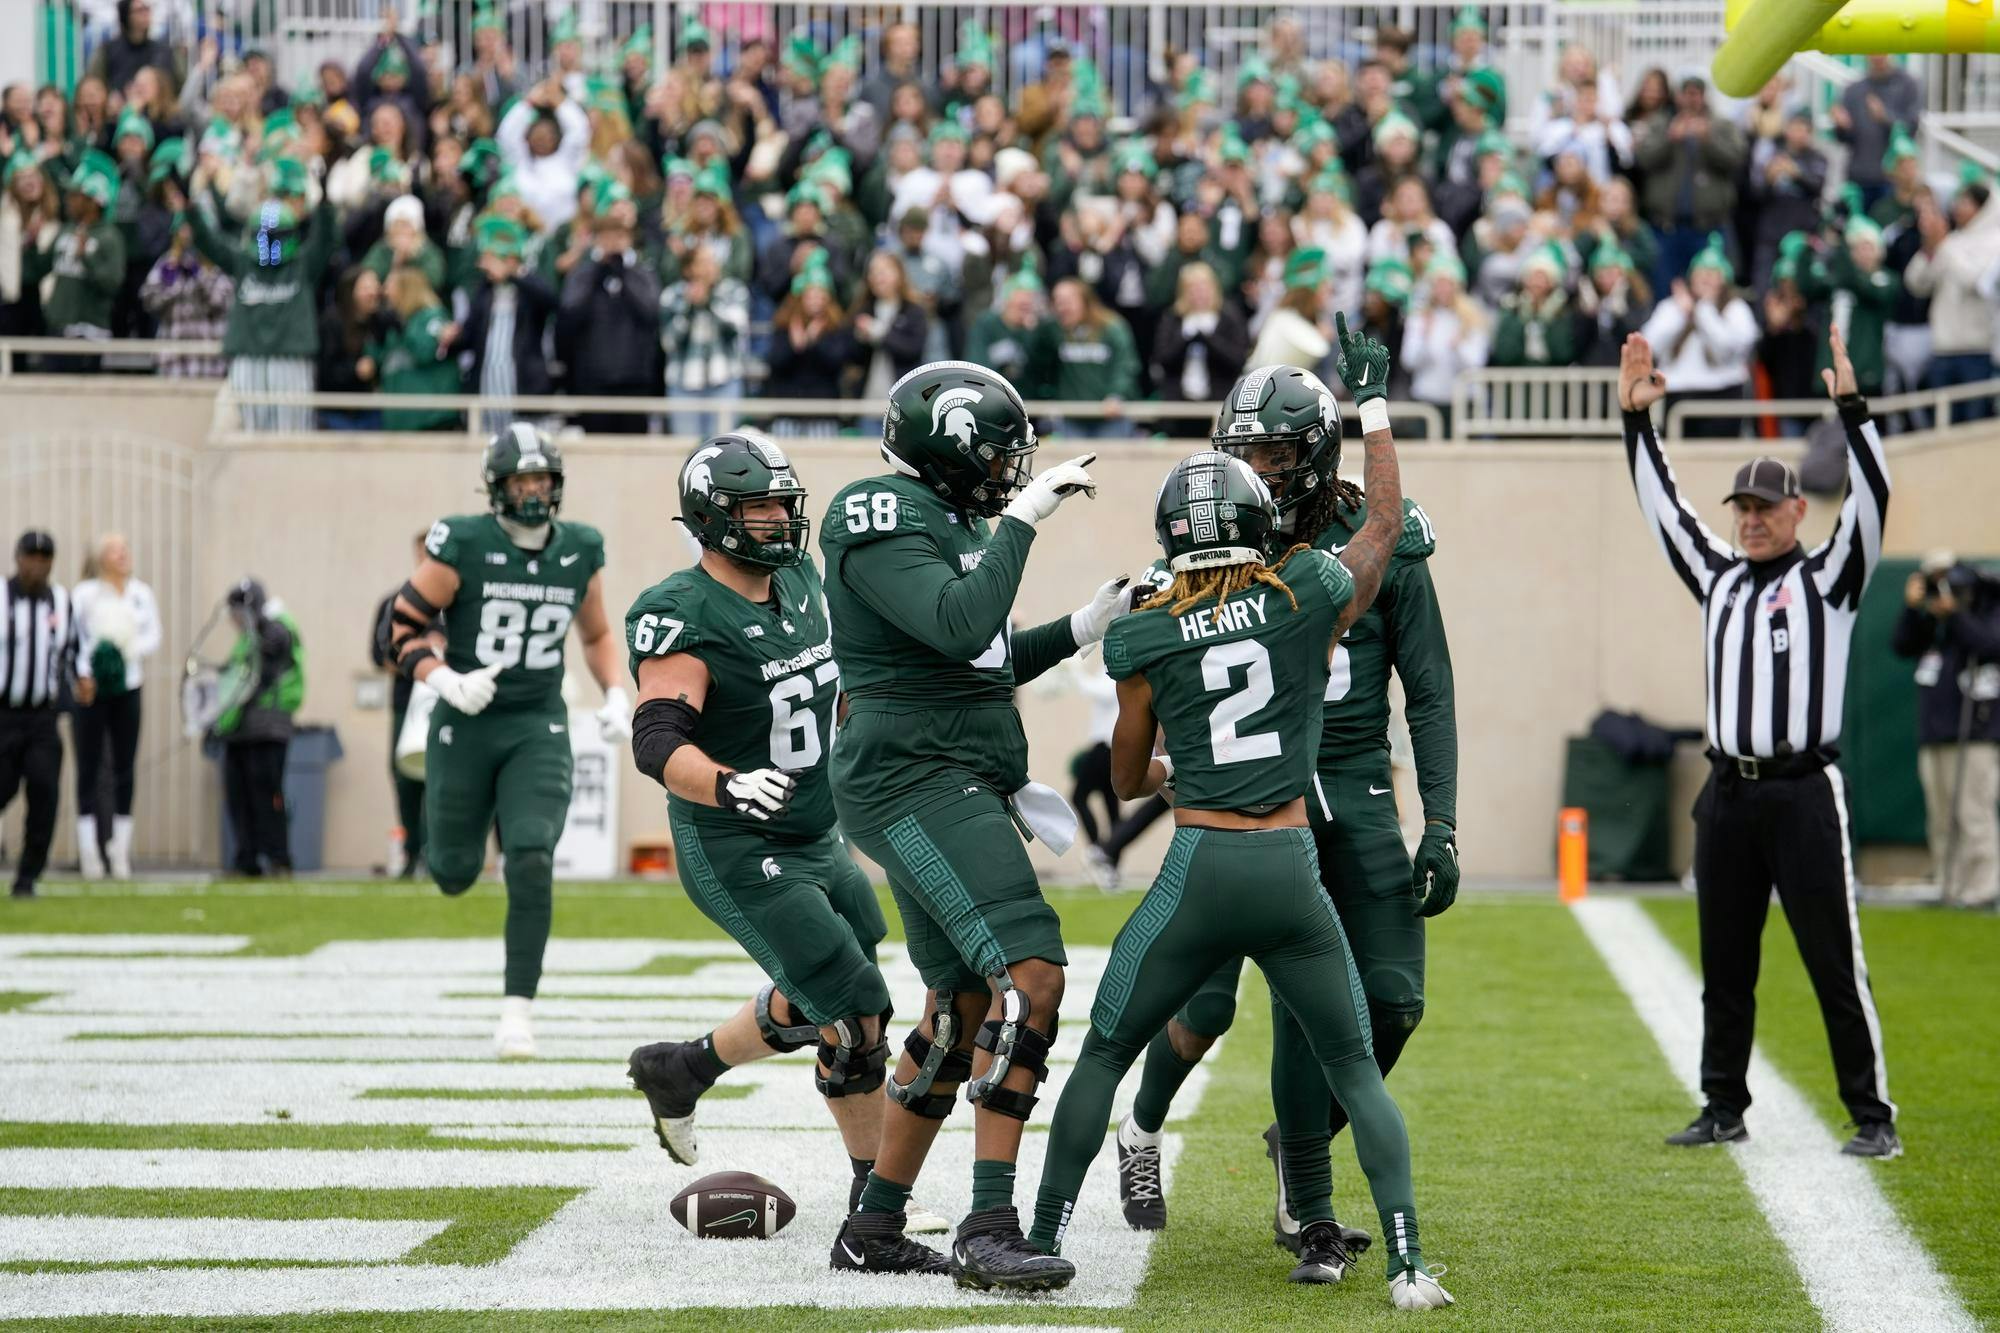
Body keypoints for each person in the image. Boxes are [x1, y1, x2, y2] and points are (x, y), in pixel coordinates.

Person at [1026, 360, 1452, 1312]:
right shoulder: (1305, 588)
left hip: (1198, 861)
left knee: (1101, 1052)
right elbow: (1381, 526)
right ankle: (1410, 1261)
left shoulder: (1141, 630)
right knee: (1350, 1064)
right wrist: (1375, 413)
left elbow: (1129, 777)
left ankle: (1045, 1235)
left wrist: (1185, 771)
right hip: (1292, 863)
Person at [820, 361, 1133, 1287]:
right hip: (911, 777)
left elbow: (979, 661)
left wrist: (1082, 626)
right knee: (1030, 972)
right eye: (996, 457)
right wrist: (1024, 525)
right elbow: (959, 626)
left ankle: (872, 1225)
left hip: (943, 770)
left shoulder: (948, 521)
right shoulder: (874, 512)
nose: (1008, 473)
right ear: (944, 450)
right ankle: (990, 1223)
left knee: (958, 1007)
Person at [622, 433, 951, 1246]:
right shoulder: (681, 609)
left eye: (781, 501)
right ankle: (877, 1199)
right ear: (711, 518)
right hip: (735, 842)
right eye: (757, 506)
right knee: (855, 1007)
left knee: (838, 975)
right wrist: (727, 781)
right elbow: (657, 738)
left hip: (816, 824)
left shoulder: (801, 578)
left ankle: (684, 1067)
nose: (778, 518)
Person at [1621, 327, 1900, 1159]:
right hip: (1729, 794)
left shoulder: (1830, 580)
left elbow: (1875, 503)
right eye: (1741, 508)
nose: (1749, 520)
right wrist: (1638, 424)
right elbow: (1664, 510)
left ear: (1796, 511)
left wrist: (1854, 412)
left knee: (1832, 961)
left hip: (1804, 791)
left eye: (1763, 508)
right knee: (1725, 964)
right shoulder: (1717, 576)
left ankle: (1872, 1114)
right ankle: (1722, 1104)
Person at [385, 427, 632, 1059]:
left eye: (541, 480)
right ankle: (457, 838)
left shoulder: (579, 548)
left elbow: (598, 633)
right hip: (465, 721)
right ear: (497, 487)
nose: (532, 492)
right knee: (453, 872)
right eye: (521, 481)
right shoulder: (462, 542)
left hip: (536, 722)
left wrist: (613, 691)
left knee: (529, 852)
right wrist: (443, 677)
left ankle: (517, 1011)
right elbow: (403, 626)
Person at [1891, 555, 2000, 909]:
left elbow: (1989, 645)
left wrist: (1955, 613)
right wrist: (1913, 609)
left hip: (1975, 734)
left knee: (1973, 812)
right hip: (1935, 734)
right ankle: (1949, 884)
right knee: (1940, 816)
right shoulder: (1933, 627)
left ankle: (1983, 888)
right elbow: (1902, 645)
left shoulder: (1984, 613)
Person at [69, 535, 160, 881]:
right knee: (89, 765)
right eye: (115, 550)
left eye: (125, 548)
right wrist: (86, 673)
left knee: (125, 763)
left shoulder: (141, 593)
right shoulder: (84, 595)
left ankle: (119, 851)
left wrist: (126, 650)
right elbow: (74, 639)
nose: (123, 554)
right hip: (92, 690)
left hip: (129, 686)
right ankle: (89, 850)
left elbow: (154, 634)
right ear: (101, 558)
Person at [1, 531, 85, 898]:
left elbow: (75, 650)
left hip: (43, 719)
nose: (37, 565)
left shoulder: (62, 601)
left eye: (44, 558)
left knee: (45, 791)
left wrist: (84, 678)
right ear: (18, 559)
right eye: (30, 557)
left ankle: (27, 877)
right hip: (3, 715)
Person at [213, 579, 301, 879]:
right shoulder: (246, 638)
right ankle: (246, 859)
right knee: (238, 795)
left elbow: (257, 675)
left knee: (267, 795)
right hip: (239, 729)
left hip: (268, 728)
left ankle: (279, 859)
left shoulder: (275, 630)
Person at [1637, 235, 1758, 437]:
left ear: (1724, 278)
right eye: (1701, 273)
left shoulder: (1735, 308)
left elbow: (1727, 349)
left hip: (1723, 393)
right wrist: (1681, 314)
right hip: (1678, 394)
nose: (1706, 279)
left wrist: (1702, 311)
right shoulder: (1672, 306)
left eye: (1713, 273)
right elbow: (1650, 344)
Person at [1904, 179, 2000, 423]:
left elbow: (1975, 282)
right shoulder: (1950, 241)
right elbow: (1917, 284)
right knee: (1943, 425)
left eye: (1966, 201)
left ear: (1983, 207)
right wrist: (1928, 249)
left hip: (1977, 350)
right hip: (1942, 348)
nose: (1957, 207)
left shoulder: (1994, 241)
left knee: (1973, 427)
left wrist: (1943, 245)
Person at [371, 534, 431, 879]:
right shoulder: (394, 602)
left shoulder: (456, 603)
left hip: (446, 703)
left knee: (443, 779)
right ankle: (411, 854)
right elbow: (380, 655)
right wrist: (419, 657)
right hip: (406, 702)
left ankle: (438, 855)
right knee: (405, 778)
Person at [1833, 55, 1923, 212]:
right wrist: (1842, 127)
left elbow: (1912, 128)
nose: (1877, 56)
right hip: (1859, 176)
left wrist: (1885, 117)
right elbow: (1845, 139)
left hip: (1892, 179)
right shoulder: (1854, 90)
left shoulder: (1907, 85)